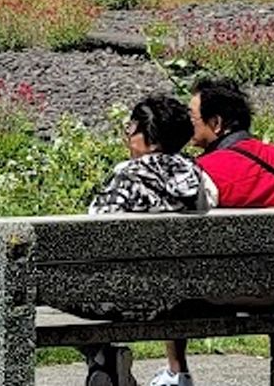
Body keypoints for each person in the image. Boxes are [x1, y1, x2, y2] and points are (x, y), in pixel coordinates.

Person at [148, 81, 274, 386]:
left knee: (171, 269)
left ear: (216, 123)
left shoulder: (205, 170)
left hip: (222, 288)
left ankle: (176, 371)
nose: (185, 123)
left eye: (191, 118)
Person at [79, 95, 217, 386]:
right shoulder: (197, 175)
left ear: (147, 135)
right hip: (181, 297)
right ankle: (104, 362)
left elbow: (93, 236)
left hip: (123, 298)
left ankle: (101, 356)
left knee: (50, 287)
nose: (127, 137)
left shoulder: (126, 175)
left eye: (130, 129)